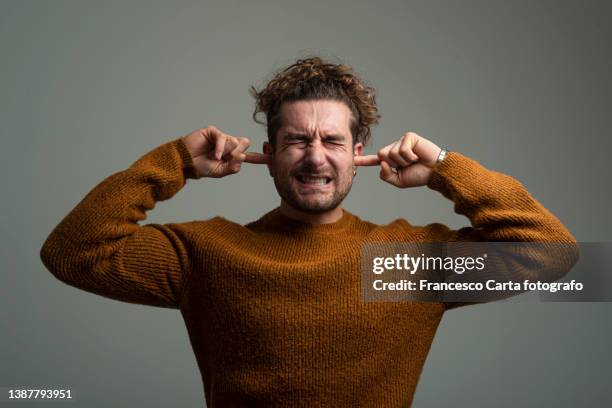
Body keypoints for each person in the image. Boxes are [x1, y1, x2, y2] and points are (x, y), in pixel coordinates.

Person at [40, 56, 578, 407]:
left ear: (358, 153)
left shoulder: (403, 263)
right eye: (297, 141)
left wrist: (445, 169)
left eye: (333, 141)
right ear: (269, 156)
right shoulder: (209, 253)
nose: (315, 157)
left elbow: (553, 255)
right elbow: (72, 252)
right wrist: (175, 160)